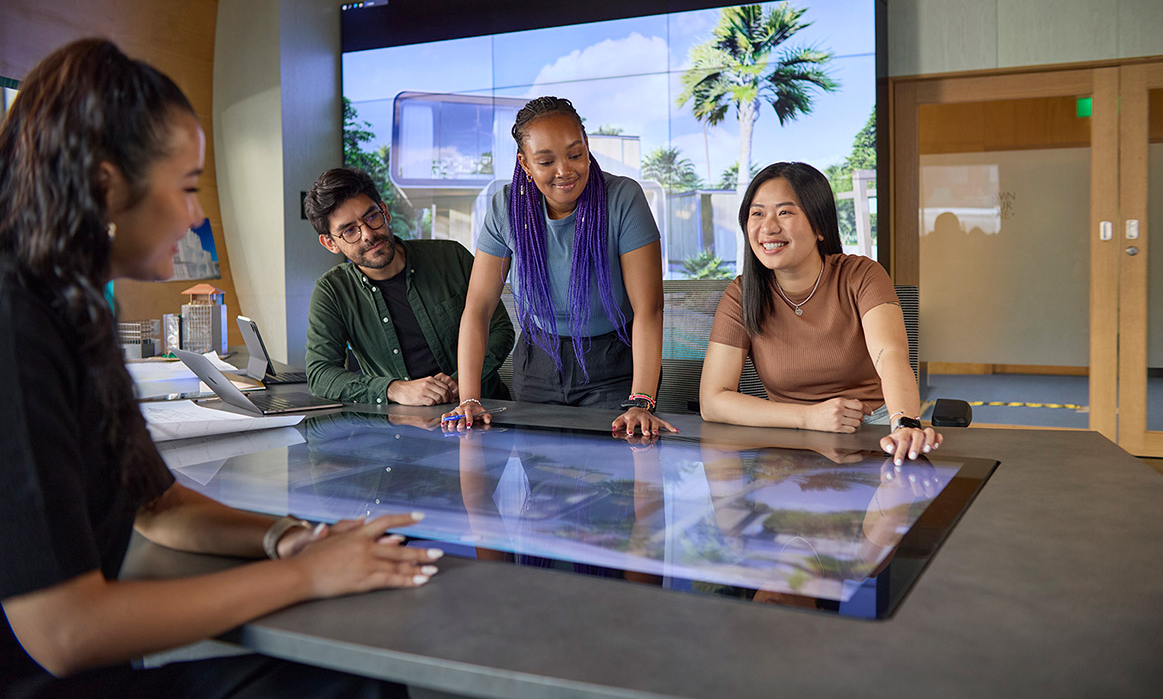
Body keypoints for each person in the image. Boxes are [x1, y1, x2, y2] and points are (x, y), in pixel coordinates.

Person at [0, 39, 440, 698]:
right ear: (103, 183)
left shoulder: (77, 311)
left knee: (362, 671)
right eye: (186, 187)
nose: (198, 215)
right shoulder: (15, 323)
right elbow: (63, 632)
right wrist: (310, 575)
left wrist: (291, 539)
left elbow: (157, 504)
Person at [440, 96, 674, 435]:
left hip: (613, 365)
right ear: (524, 163)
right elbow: (478, 307)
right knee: (543, 480)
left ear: (587, 145)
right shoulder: (506, 208)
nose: (565, 170)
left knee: (615, 476)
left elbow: (648, 310)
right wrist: (470, 398)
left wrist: (640, 401)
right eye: (546, 161)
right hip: (538, 362)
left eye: (575, 154)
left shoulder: (623, 198)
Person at [698, 162, 940, 464]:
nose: (768, 227)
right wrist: (809, 417)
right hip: (786, 437)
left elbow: (889, 354)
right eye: (757, 213)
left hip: (873, 433)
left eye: (785, 212)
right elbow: (713, 401)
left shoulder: (861, 275)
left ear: (820, 226)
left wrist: (904, 422)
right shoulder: (742, 294)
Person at [304, 167, 514, 407]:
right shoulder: (333, 291)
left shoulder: (450, 257)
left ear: (385, 211)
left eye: (372, 217)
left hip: (483, 411)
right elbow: (320, 374)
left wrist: (461, 383)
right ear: (330, 243)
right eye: (350, 230)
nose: (367, 235)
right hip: (400, 427)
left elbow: (501, 330)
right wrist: (394, 390)